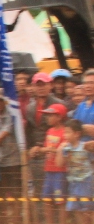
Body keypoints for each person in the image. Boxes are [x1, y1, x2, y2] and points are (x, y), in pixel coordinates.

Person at [25, 72, 63, 200]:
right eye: (38, 85)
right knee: (40, 189)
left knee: (57, 191)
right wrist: (30, 148)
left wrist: (40, 145)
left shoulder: (59, 104)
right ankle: (42, 219)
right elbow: (29, 130)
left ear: (50, 85)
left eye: (44, 84)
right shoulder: (30, 108)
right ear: (33, 87)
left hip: (53, 152)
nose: (41, 88)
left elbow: (61, 129)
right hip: (36, 155)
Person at [33, 102, 68, 224]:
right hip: (49, 169)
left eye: (50, 115)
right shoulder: (49, 131)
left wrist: (48, 149)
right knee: (47, 199)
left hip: (60, 170)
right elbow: (47, 148)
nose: (47, 118)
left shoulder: (65, 132)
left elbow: (64, 149)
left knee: (60, 200)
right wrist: (44, 149)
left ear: (59, 117)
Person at [0, 91, 24, 208]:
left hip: (13, 158)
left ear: (5, 101)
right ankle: (5, 221)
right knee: (2, 191)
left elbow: (4, 134)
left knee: (16, 192)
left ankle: (17, 220)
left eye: (0, 100)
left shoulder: (12, 114)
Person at [57, 118, 94, 224]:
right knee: (75, 206)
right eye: (64, 132)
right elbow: (59, 164)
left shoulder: (85, 147)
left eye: (68, 132)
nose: (65, 135)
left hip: (86, 179)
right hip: (73, 180)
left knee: (88, 206)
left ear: (77, 134)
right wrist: (59, 150)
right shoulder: (66, 149)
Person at [70, 69, 94, 140]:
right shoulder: (81, 106)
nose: (88, 86)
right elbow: (74, 127)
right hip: (81, 147)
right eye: (86, 83)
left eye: (91, 83)